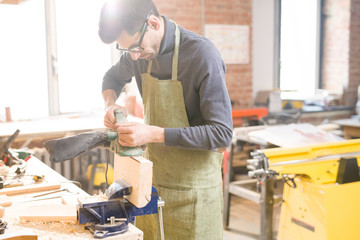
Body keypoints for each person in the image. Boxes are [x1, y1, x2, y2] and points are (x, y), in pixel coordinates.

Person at [98, 0, 233, 239]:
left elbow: (222, 134)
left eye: (136, 48)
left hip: (195, 192)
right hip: (153, 187)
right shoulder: (137, 52)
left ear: (153, 23)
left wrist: (152, 133)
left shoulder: (202, 55)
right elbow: (111, 77)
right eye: (127, 50)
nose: (134, 57)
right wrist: (111, 105)